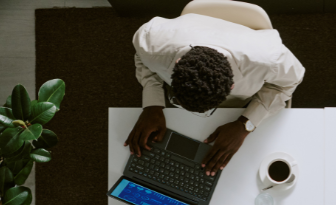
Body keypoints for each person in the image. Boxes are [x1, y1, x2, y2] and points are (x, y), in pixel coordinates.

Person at [126, 13, 305, 175]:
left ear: (232, 86)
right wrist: (153, 104)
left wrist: (245, 124)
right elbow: (142, 59)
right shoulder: (151, 42)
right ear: (177, 64)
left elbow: (289, 82)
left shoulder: (269, 60)